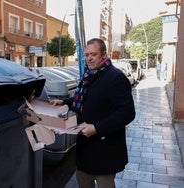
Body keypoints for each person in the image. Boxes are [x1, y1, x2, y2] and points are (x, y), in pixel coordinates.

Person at [51, 38, 135, 188]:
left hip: (105, 152)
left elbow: (127, 113)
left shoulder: (116, 77)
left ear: (103, 55)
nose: (89, 58)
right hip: (84, 152)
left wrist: (97, 128)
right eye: (87, 54)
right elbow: (87, 98)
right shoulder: (88, 76)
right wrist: (65, 102)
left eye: (93, 54)